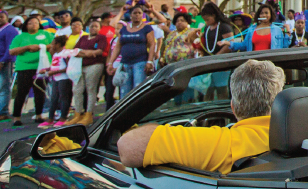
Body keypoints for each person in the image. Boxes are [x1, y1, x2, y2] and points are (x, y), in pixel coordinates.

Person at [117, 59, 285, 173]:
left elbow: (128, 146)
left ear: (233, 107)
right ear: (280, 102)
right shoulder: (307, 137)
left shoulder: (223, 145)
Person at [9, 16, 53, 126]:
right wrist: (27, 47)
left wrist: (40, 47)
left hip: (42, 67)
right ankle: (16, 117)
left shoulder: (46, 34)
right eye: (30, 23)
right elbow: (12, 51)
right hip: (24, 67)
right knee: (22, 92)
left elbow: (53, 46)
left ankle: (39, 115)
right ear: (26, 25)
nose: (34, 25)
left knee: (40, 91)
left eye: (36, 23)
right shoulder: (20, 37)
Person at [106, 5, 157, 99]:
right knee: (124, 91)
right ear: (130, 15)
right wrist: (111, 63)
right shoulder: (124, 29)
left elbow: (152, 44)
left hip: (140, 62)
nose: (137, 15)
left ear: (143, 15)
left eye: (139, 13)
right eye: (134, 13)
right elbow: (118, 47)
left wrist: (150, 61)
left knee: (137, 89)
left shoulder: (147, 28)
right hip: (125, 63)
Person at [70, 20, 108, 126]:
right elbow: (75, 51)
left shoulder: (101, 38)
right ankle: (78, 113)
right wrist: (88, 53)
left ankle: (89, 114)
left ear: (99, 28)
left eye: (96, 26)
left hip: (95, 65)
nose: (93, 28)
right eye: (91, 26)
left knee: (91, 88)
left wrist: (84, 53)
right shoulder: (83, 38)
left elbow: (99, 51)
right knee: (77, 89)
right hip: (80, 65)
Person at [39, 36, 75, 128]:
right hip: (56, 78)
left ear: (58, 44)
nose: (51, 45)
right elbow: (55, 65)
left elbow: (68, 67)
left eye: (53, 43)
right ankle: (50, 119)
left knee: (64, 98)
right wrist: (46, 69)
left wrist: (54, 72)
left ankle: (63, 118)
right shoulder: (55, 54)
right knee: (54, 98)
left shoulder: (65, 54)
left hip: (64, 78)